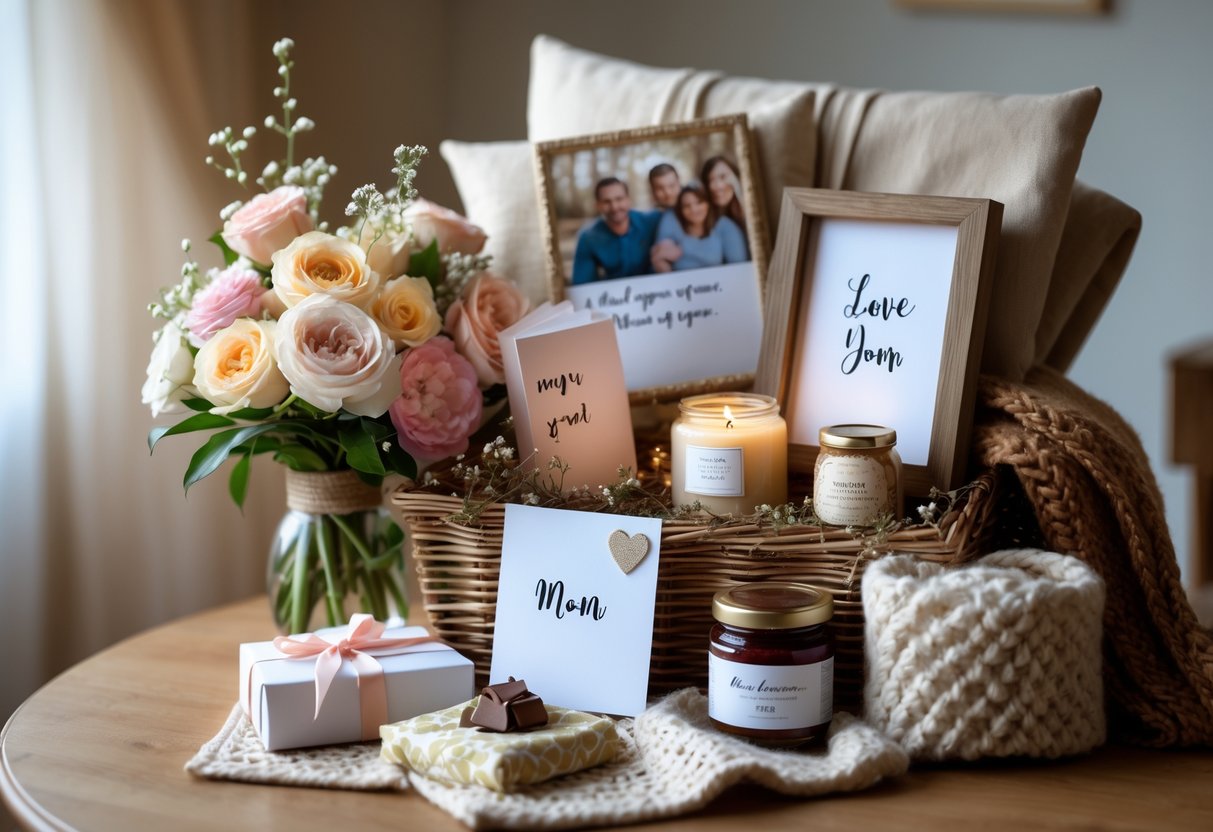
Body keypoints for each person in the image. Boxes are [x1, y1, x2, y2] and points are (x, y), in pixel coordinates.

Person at [571, 177, 663, 284]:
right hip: (615, 296)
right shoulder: (588, 237)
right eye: (606, 202)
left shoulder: (652, 221)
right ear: (597, 205)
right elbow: (583, 283)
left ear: (628, 200)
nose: (614, 207)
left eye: (619, 199)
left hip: (654, 290)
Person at [651, 184, 748, 272]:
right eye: (687, 206)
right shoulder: (674, 225)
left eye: (699, 202)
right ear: (681, 211)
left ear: (708, 203)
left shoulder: (725, 226)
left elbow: (739, 266)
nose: (694, 209)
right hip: (683, 286)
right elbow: (659, 259)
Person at [701, 155, 748, 241]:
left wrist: (739, 191)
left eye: (723, 177)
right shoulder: (706, 221)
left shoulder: (748, 210)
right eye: (710, 180)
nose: (717, 186)